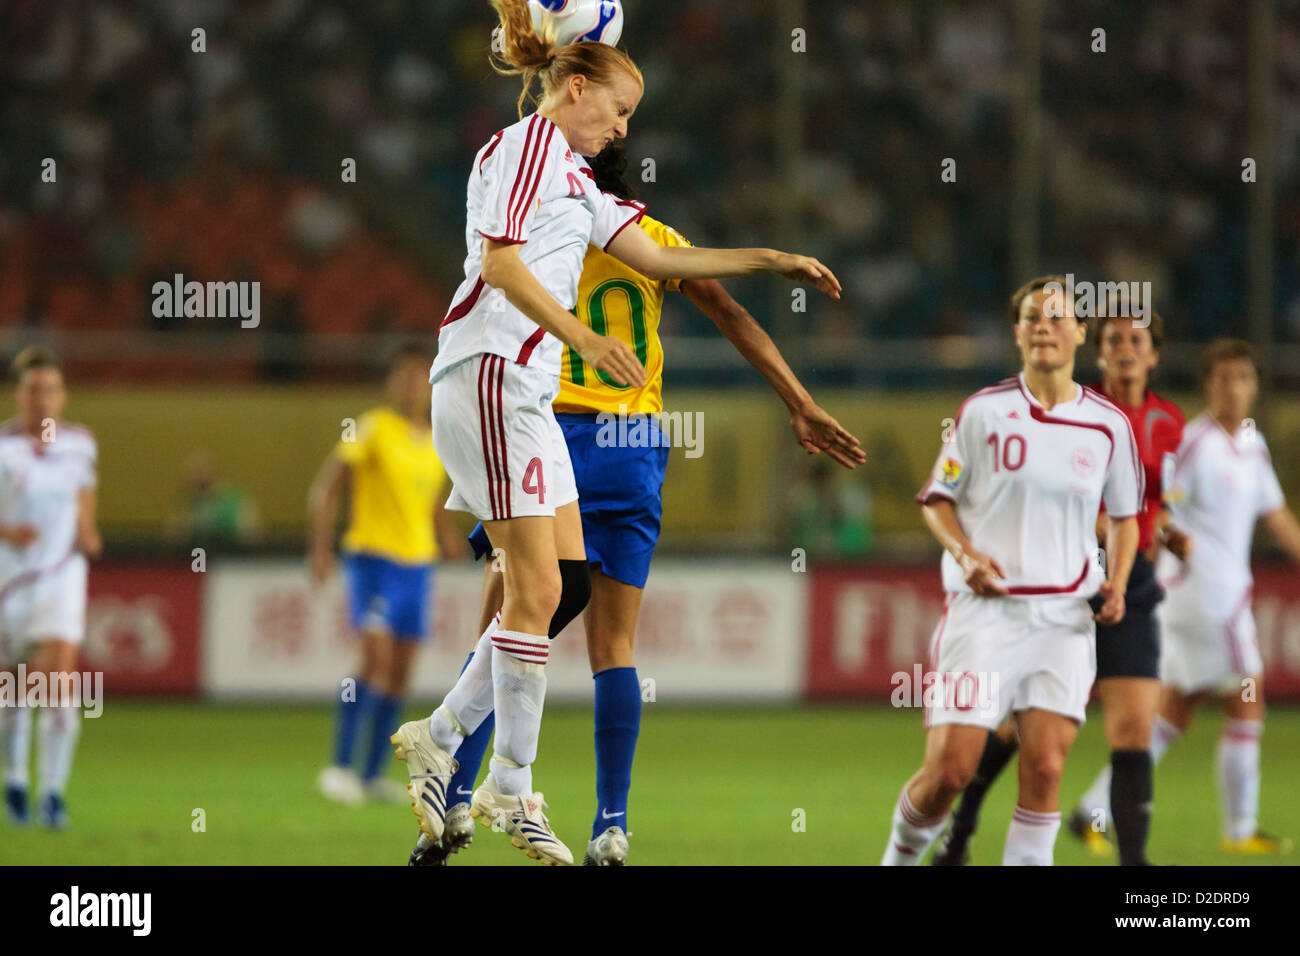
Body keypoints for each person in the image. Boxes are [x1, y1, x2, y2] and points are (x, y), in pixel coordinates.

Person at [389, 0, 841, 866]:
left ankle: (446, 737)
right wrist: (580, 336)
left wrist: (771, 258)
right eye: (619, 108)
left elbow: (667, 260)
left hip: (523, 387)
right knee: (530, 596)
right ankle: (509, 786)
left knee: (559, 585)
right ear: (573, 84)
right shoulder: (524, 148)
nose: (622, 128)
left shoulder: (576, 180)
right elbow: (500, 262)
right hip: (494, 373)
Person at [882, 276, 1140, 866]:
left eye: (1056, 316)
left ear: (1079, 333)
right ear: (1018, 332)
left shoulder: (1108, 426)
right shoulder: (982, 411)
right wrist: (964, 553)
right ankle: (898, 857)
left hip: (1065, 619)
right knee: (950, 771)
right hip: (985, 615)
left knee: (1046, 769)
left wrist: (1118, 582)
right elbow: (937, 497)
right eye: (1031, 317)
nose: (1043, 325)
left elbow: (1125, 518)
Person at [932, 307, 1188, 866]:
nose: (1125, 348)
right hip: (1056, 580)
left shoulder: (1170, 422)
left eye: (1137, 339)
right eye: (1114, 339)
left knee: (1133, 727)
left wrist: (1167, 533)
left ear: (1154, 354)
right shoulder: (1072, 403)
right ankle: (964, 822)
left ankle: (1135, 870)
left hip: (1127, 582)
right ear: (1095, 350)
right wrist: (1099, 526)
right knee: (1009, 729)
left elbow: (1156, 503)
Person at [1148, 338, 1300, 854]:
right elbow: (1157, 509)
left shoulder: (1251, 444)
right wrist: (1167, 546)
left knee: (1177, 708)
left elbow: (1274, 511)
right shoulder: (1194, 443)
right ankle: (1240, 830)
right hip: (1204, 597)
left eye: (1243, 377)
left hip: (1213, 600)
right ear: (1207, 384)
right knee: (1249, 696)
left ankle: (1094, 810)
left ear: (1255, 387)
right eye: (1223, 377)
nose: (1233, 388)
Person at [308, 343, 464, 805]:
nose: (413, 385)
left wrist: (449, 536)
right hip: (373, 560)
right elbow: (327, 487)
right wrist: (320, 548)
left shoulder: (437, 441)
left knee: (400, 673)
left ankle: (373, 773)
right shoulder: (373, 426)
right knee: (373, 662)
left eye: (421, 376)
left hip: (418, 567)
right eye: (405, 376)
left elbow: (429, 499)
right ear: (393, 383)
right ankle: (339, 766)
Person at [0, 347, 102, 829]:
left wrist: (87, 528)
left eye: (50, 389)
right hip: (11, 577)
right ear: (18, 393)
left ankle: (54, 794)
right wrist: (5, 531)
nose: (42, 398)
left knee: (59, 684)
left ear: (62, 396)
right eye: (32, 389)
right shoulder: (3, 446)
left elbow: (83, 490)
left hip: (62, 572)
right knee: (14, 689)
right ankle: (16, 778)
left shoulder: (81, 444)